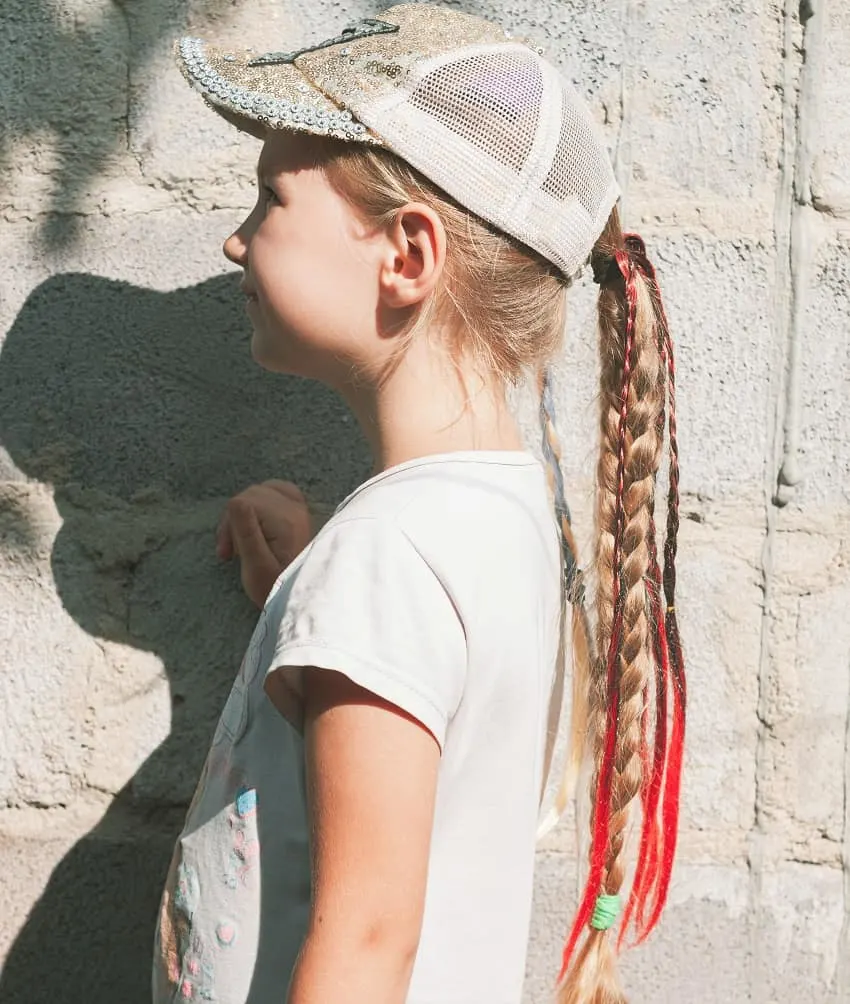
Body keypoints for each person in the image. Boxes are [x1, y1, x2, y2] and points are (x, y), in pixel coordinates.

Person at [155, 4, 687, 1003]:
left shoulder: (388, 563)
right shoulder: (502, 523)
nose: (233, 241)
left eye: (270, 198)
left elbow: (364, 944)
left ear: (406, 254)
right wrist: (306, 591)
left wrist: (339, 585)